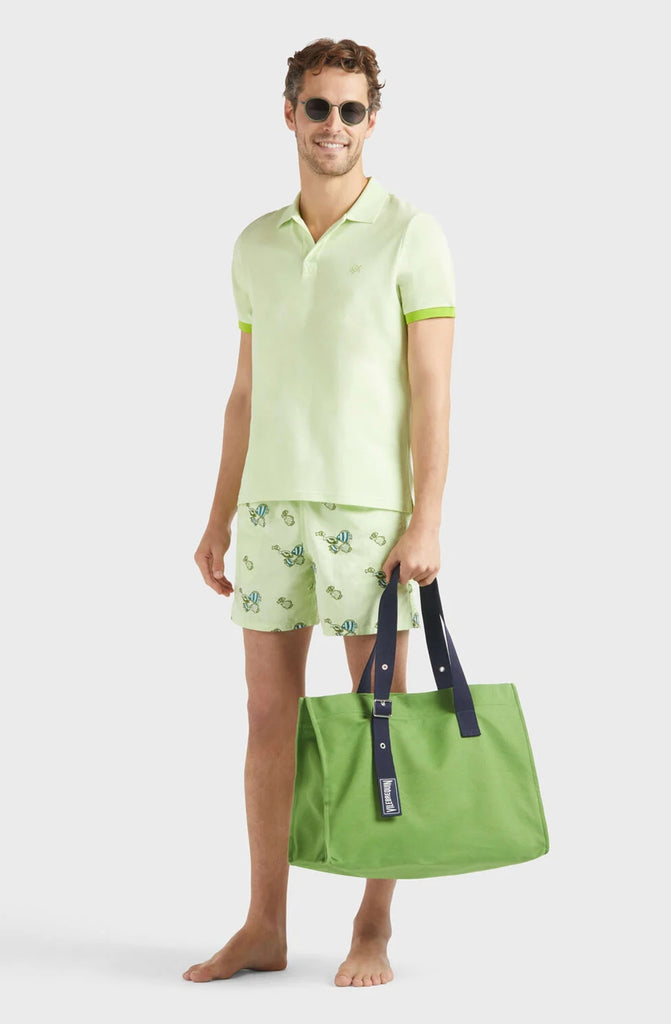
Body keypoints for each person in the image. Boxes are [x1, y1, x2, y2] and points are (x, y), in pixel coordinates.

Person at [188, 37, 456, 988]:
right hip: (269, 512)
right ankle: (264, 926)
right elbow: (244, 391)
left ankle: (372, 924)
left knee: (378, 716)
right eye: (317, 107)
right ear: (290, 113)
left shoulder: (410, 233)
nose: (332, 125)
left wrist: (426, 518)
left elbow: (432, 390)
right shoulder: (255, 243)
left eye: (349, 110)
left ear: (371, 121)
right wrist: (218, 514)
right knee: (268, 714)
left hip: (370, 516)